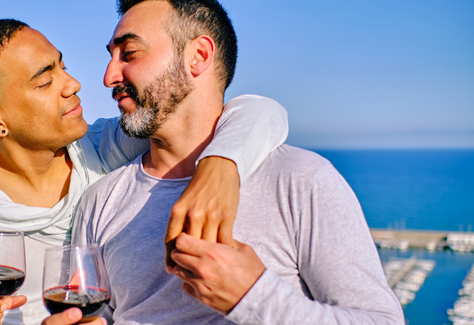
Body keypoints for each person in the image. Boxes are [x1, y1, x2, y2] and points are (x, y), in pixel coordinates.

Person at [0, 18, 289, 325]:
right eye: (45, 82)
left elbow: (256, 111)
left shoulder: (103, 147)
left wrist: (221, 167)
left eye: (62, 66)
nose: (74, 83)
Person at [66, 0, 405, 324]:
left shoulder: (300, 180)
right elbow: (98, 313)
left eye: (129, 54)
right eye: (111, 57)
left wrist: (252, 296)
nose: (109, 76)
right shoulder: (101, 199)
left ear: (198, 56)